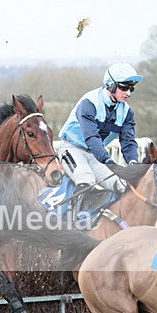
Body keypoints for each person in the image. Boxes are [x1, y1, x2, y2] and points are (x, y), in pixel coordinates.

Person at [57, 62, 143, 210]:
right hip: (72, 149)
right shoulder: (89, 103)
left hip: (96, 155)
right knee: (86, 179)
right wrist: (110, 163)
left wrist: (133, 163)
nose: (128, 93)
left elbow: (128, 141)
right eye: (124, 88)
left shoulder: (127, 112)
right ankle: (71, 219)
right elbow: (91, 138)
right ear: (111, 85)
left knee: (121, 185)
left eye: (131, 89)